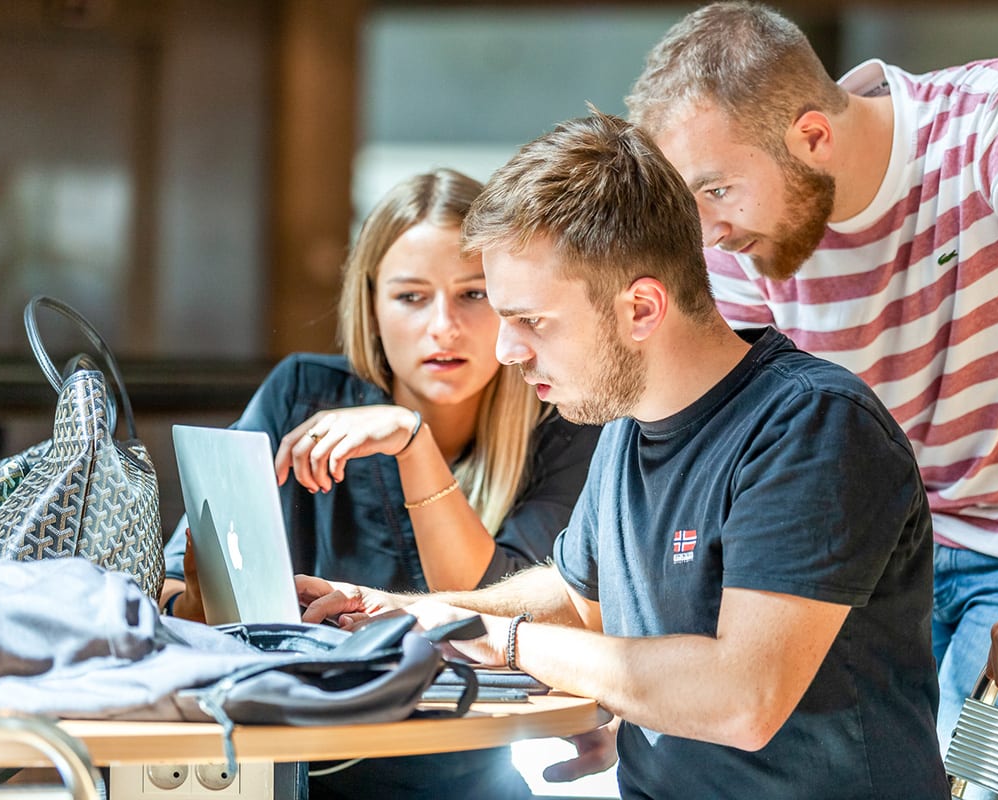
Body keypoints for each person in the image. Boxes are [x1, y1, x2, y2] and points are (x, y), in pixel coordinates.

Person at [298, 110, 950, 799]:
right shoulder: (629, 428)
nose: (505, 351)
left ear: (641, 309)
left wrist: (497, 635)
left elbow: (742, 697)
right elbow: (580, 601)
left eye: (531, 321)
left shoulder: (813, 426)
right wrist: (408, 612)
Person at [624, 0, 998, 767]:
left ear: (813, 135)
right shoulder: (737, 246)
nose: (709, 231)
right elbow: (738, 437)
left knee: (965, 782)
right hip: (898, 540)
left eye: (717, 191)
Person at [160, 168, 600, 800]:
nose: (442, 327)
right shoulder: (303, 395)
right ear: (371, 305)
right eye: (411, 297)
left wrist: (412, 444)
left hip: (466, 773)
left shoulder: (560, 421)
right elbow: (179, 591)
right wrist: (211, 598)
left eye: (473, 294)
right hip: (298, 766)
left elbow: (498, 606)